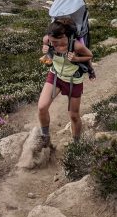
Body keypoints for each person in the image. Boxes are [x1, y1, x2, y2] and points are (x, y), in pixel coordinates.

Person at [36, 21, 93, 150]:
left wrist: (76, 59)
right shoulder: (48, 39)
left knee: (73, 115)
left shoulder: (76, 45)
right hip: (55, 76)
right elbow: (46, 47)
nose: (53, 44)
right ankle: (46, 140)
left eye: (55, 42)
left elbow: (90, 55)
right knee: (42, 107)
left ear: (63, 36)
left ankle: (76, 144)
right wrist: (45, 49)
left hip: (74, 80)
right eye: (51, 41)